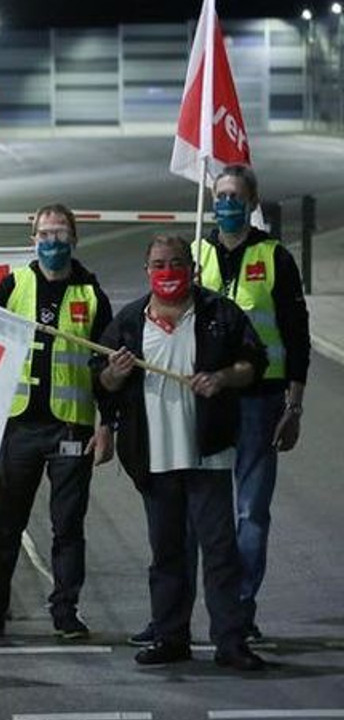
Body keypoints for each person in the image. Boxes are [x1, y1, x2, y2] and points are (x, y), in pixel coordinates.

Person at [95, 235, 267, 671]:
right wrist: (114, 375)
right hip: (154, 460)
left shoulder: (219, 315)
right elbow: (103, 383)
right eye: (158, 264)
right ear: (146, 270)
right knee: (167, 553)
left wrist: (223, 378)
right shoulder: (131, 322)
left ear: (192, 268)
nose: (167, 272)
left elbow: (254, 363)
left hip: (208, 457)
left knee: (220, 551)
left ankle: (231, 641)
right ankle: (170, 636)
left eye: (176, 263)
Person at [0, 204, 115, 641]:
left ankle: (66, 612)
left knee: (67, 526)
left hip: (71, 429)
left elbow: (106, 370)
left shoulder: (91, 295)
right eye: (44, 234)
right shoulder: (14, 285)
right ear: (33, 240)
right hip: (19, 427)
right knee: (7, 523)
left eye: (60, 233)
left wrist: (107, 426)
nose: (52, 242)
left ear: (74, 239)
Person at [193, 165, 310, 640]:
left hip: (262, 400)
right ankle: (201, 608)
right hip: (208, 398)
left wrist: (295, 406)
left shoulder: (274, 256)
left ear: (251, 200)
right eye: (219, 196)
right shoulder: (196, 253)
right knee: (202, 510)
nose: (224, 204)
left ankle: (239, 608)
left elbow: (297, 335)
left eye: (234, 196)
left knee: (251, 513)